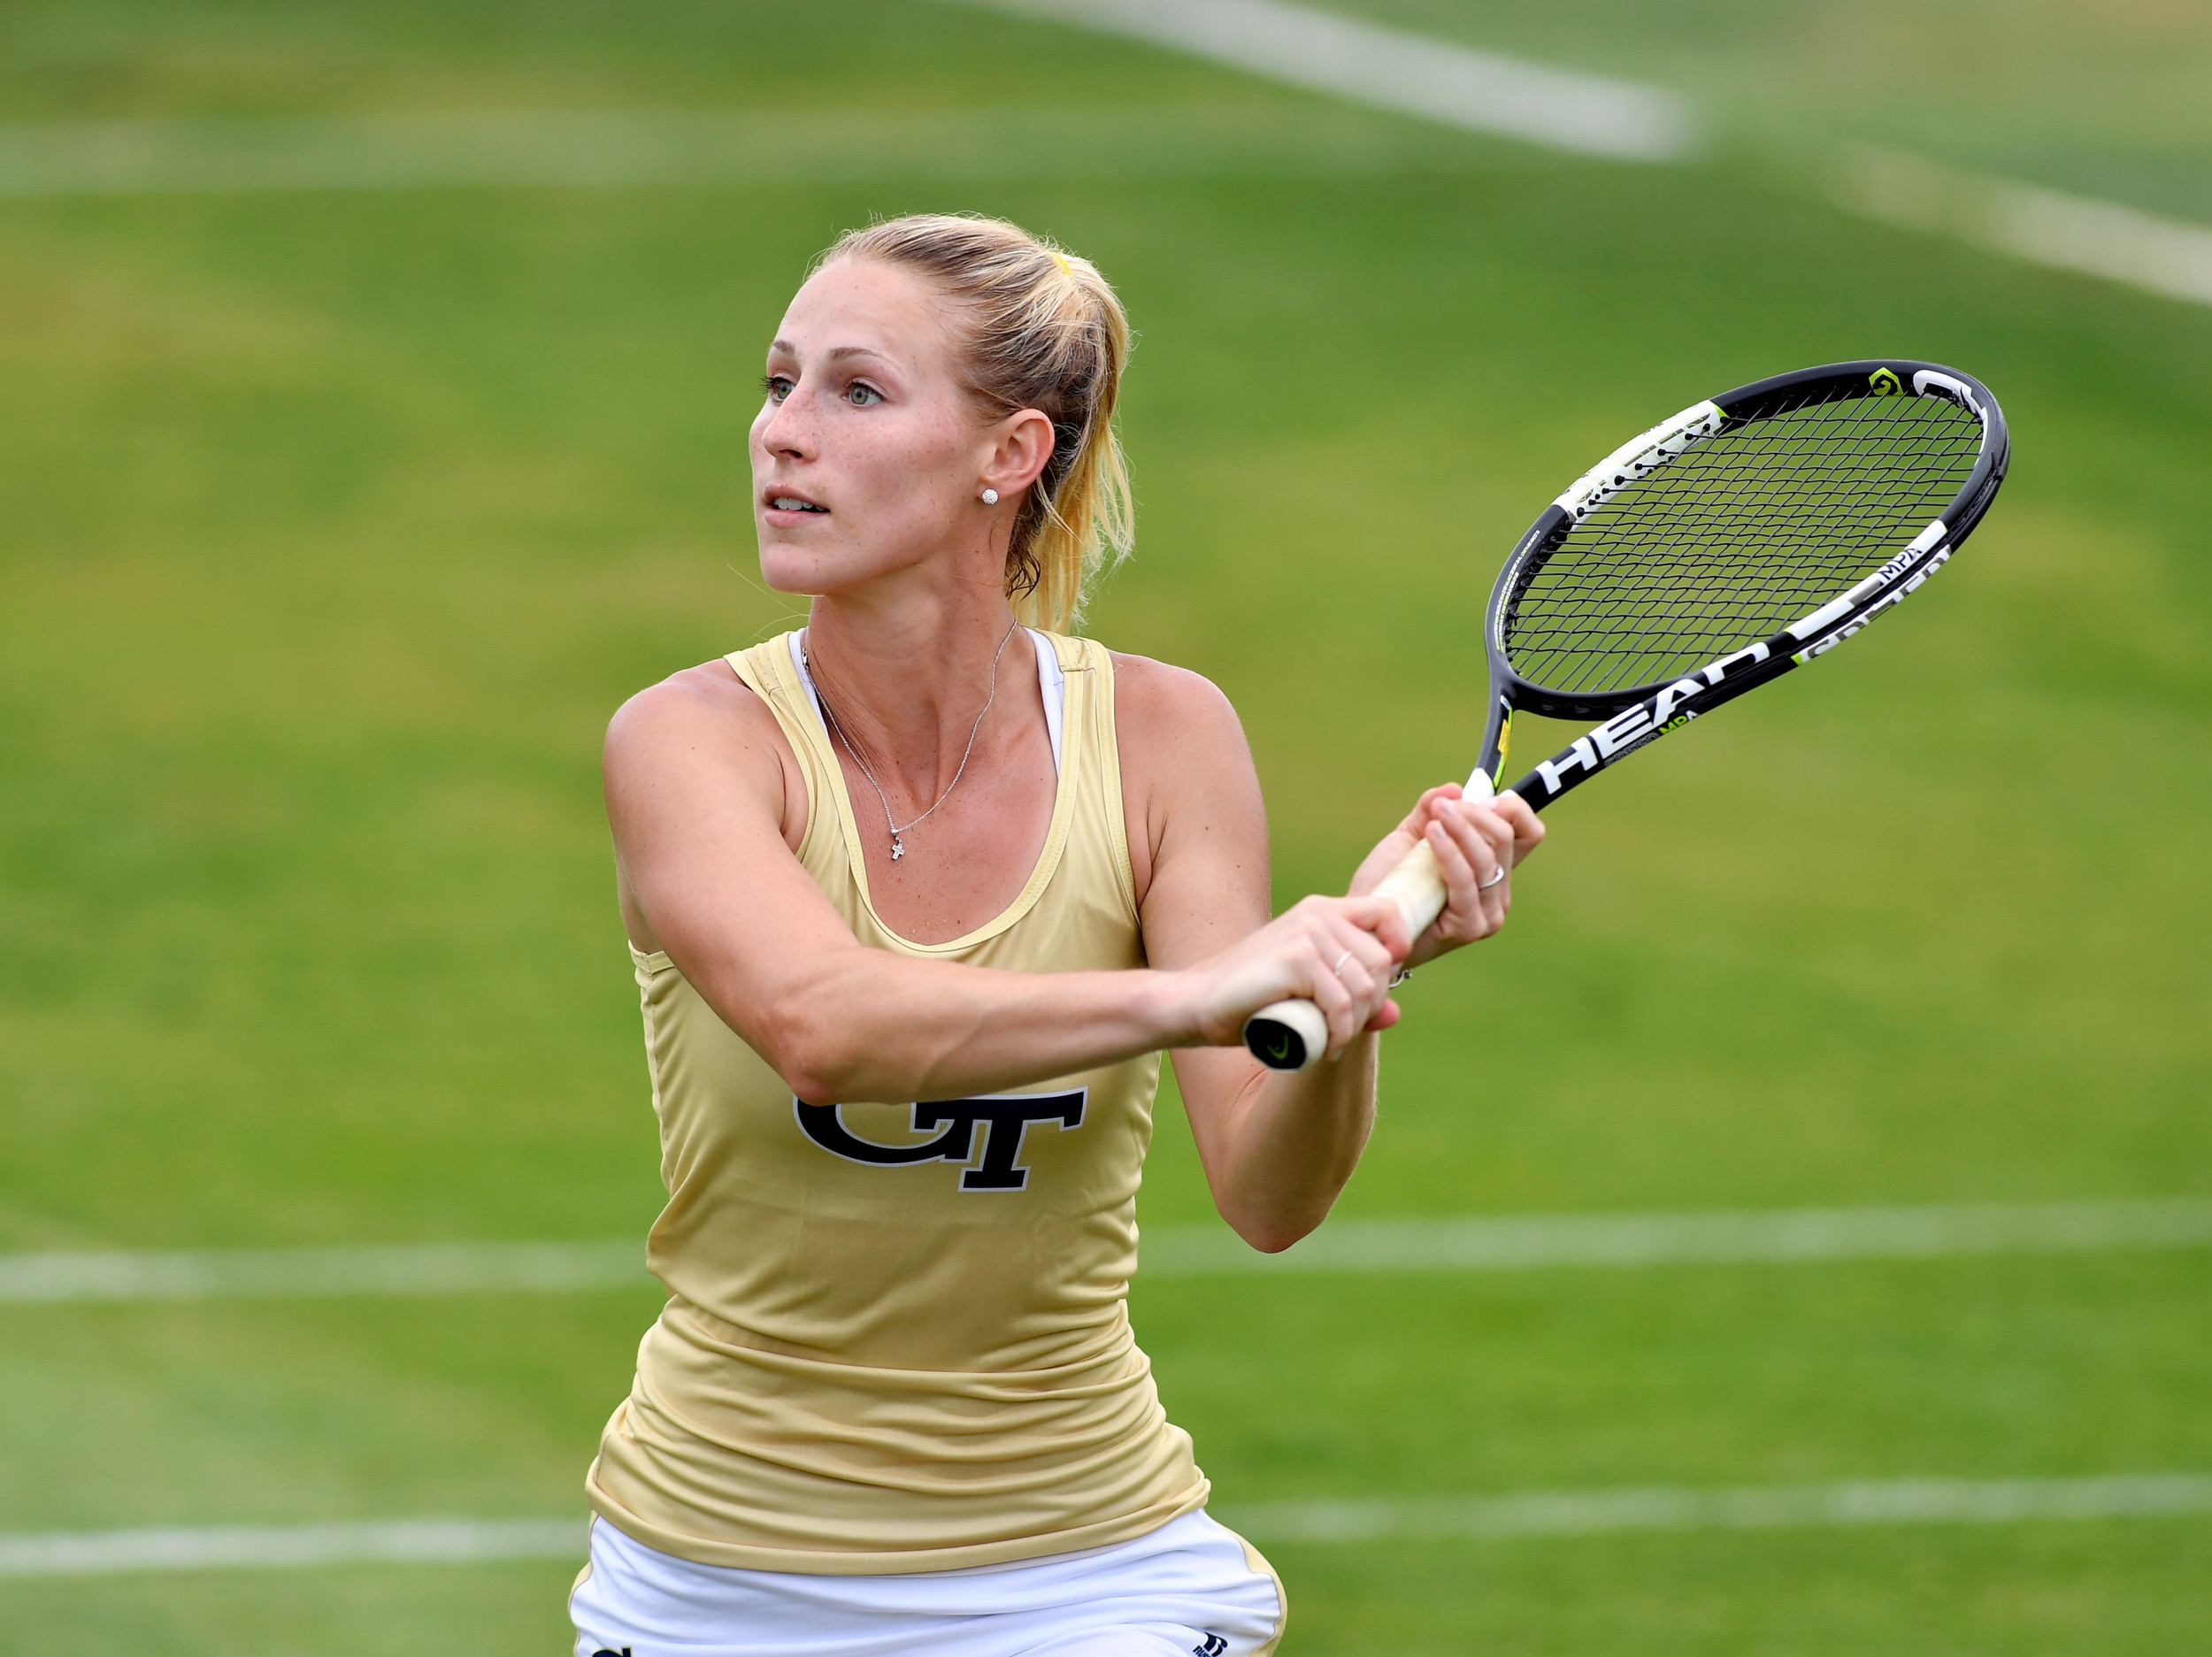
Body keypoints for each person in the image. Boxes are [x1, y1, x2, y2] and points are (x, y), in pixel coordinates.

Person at [572, 212, 1543, 1657]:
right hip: (720, 1576)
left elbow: (1268, 1193)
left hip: (1089, 1565)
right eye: (777, 383)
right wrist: (1199, 990)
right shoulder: (691, 743)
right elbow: (824, 1026)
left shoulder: (1163, 737)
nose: (782, 435)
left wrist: (1353, 983)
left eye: (855, 391)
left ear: (1010, 455)